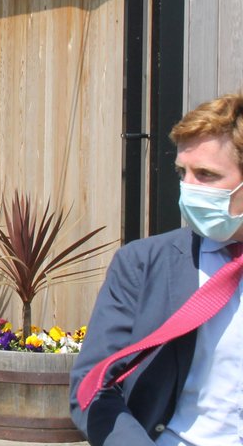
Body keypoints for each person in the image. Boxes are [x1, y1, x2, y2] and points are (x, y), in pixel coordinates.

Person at [70, 92, 243, 445]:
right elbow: (92, 387)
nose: (188, 188)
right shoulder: (142, 263)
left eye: (206, 175)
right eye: (183, 172)